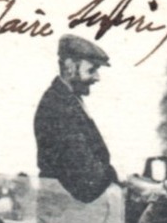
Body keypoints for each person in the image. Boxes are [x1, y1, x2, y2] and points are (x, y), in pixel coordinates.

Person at [32, 33, 157, 205]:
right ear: (69, 66)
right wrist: (127, 183)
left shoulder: (68, 101)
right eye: (92, 70)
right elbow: (86, 176)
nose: (97, 77)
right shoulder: (58, 108)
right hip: (68, 218)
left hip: (74, 214)